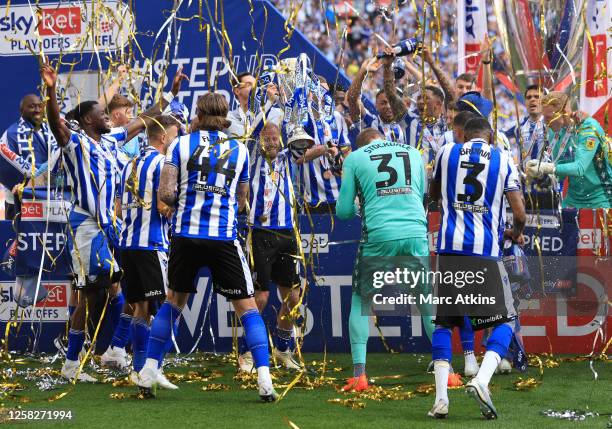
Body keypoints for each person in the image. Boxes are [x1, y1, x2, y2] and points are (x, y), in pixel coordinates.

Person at [40, 60, 186, 382]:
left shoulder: (109, 140)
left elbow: (143, 121)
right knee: (93, 294)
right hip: (87, 227)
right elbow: (55, 123)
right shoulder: (75, 142)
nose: (108, 117)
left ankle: (110, 351)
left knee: (115, 290)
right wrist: (51, 90)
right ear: (86, 120)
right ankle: (78, 361)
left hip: (109, 227)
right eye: (102, 114)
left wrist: (169, 95)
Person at [137, 93, 278, 401]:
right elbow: (242, 200)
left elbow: (165, 193)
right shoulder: (239, 149)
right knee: (248, 308)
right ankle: (265, 379)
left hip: (185, 235)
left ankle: (147, 372)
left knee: (173, 302)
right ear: (225, 114)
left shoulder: (179, 144)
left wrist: (189, 197)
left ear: (198, 114)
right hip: (223, 238)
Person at [428, 117, 526, 419]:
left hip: (449, 251)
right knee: (506, 320)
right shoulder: (503, 159)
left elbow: (433, 196)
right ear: (490, 135)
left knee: (444, 324)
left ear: (463, 134)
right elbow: (519, 210)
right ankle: (482, 380)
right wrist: (516, 231)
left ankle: (441, 400)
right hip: (485, 252)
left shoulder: (446, 152)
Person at [336, 128, 435, 392]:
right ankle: (444, 367)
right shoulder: (414, 153)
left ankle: (359, 375)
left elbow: (343, 211)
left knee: (361, 300)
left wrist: (360, 202)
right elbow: (422, 197)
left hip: (379, 234)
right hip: (415, 231)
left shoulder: (355, 158)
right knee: (425, 300)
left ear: (361, 144)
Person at [116, 115, 179, 389]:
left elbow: (118, 209)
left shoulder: (129, 164)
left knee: (140, 307)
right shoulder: (163, 163)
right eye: (176, 136)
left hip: (127, 244)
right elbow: (164, 207)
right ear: (163, 137)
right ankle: (154, 367)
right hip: (151, 244)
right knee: (169, 306)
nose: (177, 141)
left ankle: (139, 368)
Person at [245, 122, 302, 371]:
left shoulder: (288, 157)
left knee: (293, 296)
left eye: (274, 138)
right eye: (266, 138)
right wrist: (267, 100)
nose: (270, 143)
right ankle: (249, 353)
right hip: (261, 234)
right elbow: (255, 127)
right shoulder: (252, 157)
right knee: (261, 297)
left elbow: (311, 143)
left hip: (287, 233)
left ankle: (282, 349)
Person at [526, 92, 612, 208]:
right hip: (573, 199)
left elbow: (579, 168)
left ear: (564, 113)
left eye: (549, 117)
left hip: (601, 198)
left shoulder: (588, 128)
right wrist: (541, 173)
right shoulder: (554, 131)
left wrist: (548, 167)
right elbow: (559, 167)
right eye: (544, 117)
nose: (545, 122)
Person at [0, 94, 56, 219]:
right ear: (22, 111)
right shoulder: (11, 134)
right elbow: (4, 166)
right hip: (19, 201)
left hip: (50, 198)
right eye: (32, 106)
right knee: (19, 237)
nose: (37, 110)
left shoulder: (51, 129)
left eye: (39, 106)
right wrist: (35, 179)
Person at [346, 58, 405, 144]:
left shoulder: (402, 128)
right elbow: (352, 98)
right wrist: (363, 72)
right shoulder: (368, 121)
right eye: (383, 103)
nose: (388, 106)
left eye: (391, 102)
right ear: (376, 105)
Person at [225, 71, 283, 143]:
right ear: (237, 91)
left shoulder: (275, 113)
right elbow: (247, 139)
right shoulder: (229, 118)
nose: (255, 87)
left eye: (256, 84)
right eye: (249, 84)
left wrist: (281, 101)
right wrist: (270, 102)